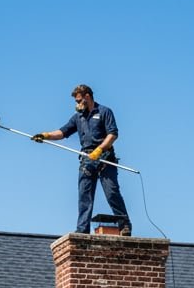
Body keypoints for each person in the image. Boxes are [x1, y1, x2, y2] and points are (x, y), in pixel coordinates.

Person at [33, 84, 131, 235]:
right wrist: (46, 135)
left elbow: (113, 134)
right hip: (87, 160)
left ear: (87, 96)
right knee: (84, 196)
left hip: (105, 158)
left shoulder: (104, 112)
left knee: (112, 193)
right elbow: (62, 132)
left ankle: (124, 225)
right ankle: (82, 230)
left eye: (79, 100)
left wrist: (100, 150)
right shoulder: (78, 117)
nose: (77, 104)